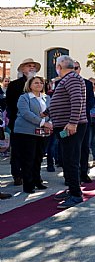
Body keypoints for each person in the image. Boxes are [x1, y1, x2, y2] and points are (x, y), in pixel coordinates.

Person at [49, 55, 88, 209]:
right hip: (65, 127)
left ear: (60, 66)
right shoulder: (68, 79)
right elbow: (63, 99)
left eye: (56, 66)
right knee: (67, 157)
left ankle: (76, 194)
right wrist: (47, 112)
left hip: (71, 127)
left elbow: (76, 100)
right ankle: (72, 188)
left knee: (70, 158)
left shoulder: (71, 78)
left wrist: (72, 123)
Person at [13, 76, 52, 193]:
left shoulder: (47, 97)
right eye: (36, 83)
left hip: (42, 133)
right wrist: (43, 123)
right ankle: (28, 184)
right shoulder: (24, 97)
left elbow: (52, 111)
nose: (39, 84)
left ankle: (37, 181)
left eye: (41, 83)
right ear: (29, 85)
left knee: (38, 158)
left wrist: (49, 123)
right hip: (26, 132)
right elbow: (26, 113)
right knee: (28, 159)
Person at [5, 58, 41, 186]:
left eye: (33, 66)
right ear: (22, 69)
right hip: (18, 123)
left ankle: (33, 175)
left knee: (36, 151)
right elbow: (9, 104)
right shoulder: (15, 85)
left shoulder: (40, 83)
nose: (31, 68)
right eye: (28, 66)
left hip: (37, 123)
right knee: (18, 151)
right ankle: (17, 174)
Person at [73, 61, 95, 182]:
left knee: (85, 147)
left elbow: (91, 101)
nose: (74, 70)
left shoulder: (87, 83)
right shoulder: (61, 83)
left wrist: (80, 112)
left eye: (76, 68)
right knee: (69, 148)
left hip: (84, 121)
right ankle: (70, 175)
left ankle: (83, 172)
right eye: (72, 68)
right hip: (67, 122)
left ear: (80, 69)